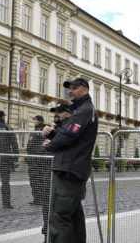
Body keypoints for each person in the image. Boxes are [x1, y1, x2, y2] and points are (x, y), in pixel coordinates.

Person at [42, 78, 98, 243]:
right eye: (69, 88)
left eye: (74, 87)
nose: (70, 91)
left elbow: (69, 134)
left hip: (69, 169)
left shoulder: (84, 110)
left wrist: (50, 145)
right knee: (73, 216)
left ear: (84, 89)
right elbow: (71, 135)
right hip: (73, 168)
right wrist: (53, 135)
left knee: (59, 217)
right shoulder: (82, 110)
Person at [39, 103, 73, 242]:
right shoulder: (54, 128)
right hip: (50, 171)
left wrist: (50, 143)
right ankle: (47, 234)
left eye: (59, 112)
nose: (56, 115)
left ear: (67, 113)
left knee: (62, 210)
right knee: (47, 205)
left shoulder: (70, 128)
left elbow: (60, 145)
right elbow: (43, 149)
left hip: (63, 173)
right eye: (55, 113)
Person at [26, 115, 47, 205]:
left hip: (40, 159)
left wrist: (40, 153)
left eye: (35, 120)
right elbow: (30, 143)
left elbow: (45, 144)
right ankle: (36, 199)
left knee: (40, 179)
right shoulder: (34, 130)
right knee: (33, 179)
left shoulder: (44, 130)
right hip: (32, 159)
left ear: (39, 121)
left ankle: (42, 199)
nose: (33, 121)